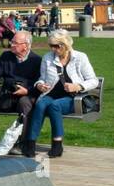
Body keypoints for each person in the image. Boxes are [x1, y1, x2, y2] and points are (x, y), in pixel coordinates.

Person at [23, 28, 99, 159]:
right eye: (51, 46)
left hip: (74, 98)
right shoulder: (48, 58)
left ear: (65, 45)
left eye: (56, 46)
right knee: (40, 105)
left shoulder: (80, 57)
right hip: (51, 94)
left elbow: (94, 81)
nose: (53, 49)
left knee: (54, 106)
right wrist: (40, 85)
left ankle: (57, 144)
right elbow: (42, 78)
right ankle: (30, 144)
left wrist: (78, 86)